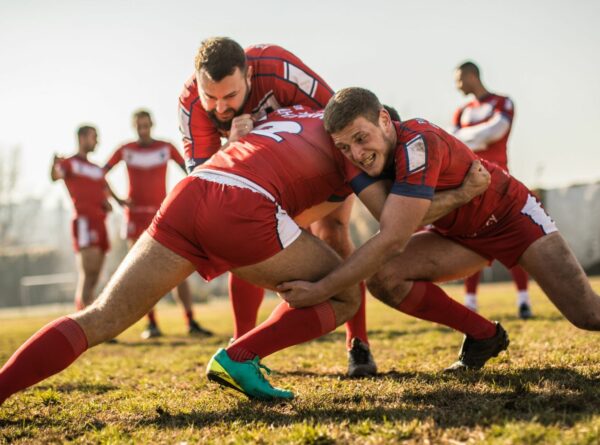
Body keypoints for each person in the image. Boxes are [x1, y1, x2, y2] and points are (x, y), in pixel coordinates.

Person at [0, 107, 488, 405]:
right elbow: (394, 224)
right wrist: (462, 194)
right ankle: (240, 356)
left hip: (191, 191)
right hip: (242, 206)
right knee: (343, 298)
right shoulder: (351, 141)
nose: (365, 154)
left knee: (100, 317)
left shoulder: (289, 117)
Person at [279, 88, 600, 379]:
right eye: (344, 147)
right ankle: (484, 336)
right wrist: (461, 195)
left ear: (385, 120)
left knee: (587, 314)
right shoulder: (364, 159)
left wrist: (321, 289)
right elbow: (396, 221)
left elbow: (395, 234)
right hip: (459, 235)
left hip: (510, 216)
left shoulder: (417, 142)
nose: (357, 154)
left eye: (361, 138)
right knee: (384, 278)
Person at [179, 36, 374, 376]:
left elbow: (340, 120)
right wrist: (233, 146)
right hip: (260, 177)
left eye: (231, 96)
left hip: (316, 163)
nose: (221, 107)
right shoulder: (191, 103)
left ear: (250, 75)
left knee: (334, 231)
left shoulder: (281, 70)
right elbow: (206, 183)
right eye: (211, 96)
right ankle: (243, 345)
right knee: (244, 240)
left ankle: (358, 343)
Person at [105, 110, 212, 339]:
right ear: (134, 127)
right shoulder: (126, 149)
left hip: (162, 215)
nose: (143, 129)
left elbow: (191, 170)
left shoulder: (166, 147)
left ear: (152, 124)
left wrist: (188, 197)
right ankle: (151, 325)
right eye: (139, 126)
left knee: (178, 269)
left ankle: (191, 321)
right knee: (140, 273)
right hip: (134, 218)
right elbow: (100, 173)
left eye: (146, 125)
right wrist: (117, 200)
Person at [452, 61, 531, 318]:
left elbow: (497, 131)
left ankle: (523, 300)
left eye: (459, 79)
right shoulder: (461, 110)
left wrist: (469, 136)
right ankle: (471, 304)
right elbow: (453, 138)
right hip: (471, 184)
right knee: (471, 240)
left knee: (514, 239)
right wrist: (479, 135)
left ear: (471, 75)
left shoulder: (502, 101)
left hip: (501, 182)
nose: (457, 85)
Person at [50, 125, 115, 311]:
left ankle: (86, 315)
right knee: (88, 273)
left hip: (101, 222)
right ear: (82, 138)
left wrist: (109, 202)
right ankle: (83, 319)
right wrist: (53, 163)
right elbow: (55, 176)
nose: (97, 141)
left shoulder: (96, 168)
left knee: (96, 275)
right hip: (84, 222)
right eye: (94, 137)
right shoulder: (70, 163)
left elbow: (105, 190)